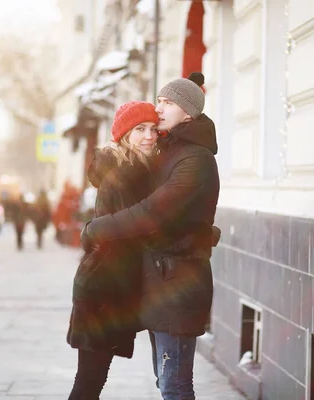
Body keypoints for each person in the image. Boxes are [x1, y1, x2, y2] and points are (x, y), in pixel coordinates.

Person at [81, 72, 220, 400]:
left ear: (188, 113)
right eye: (158, 99)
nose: (158, 108)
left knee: (175, 386)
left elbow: (152, 213)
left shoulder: (195, 159)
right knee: (165, 381)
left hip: (178, 288)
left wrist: (96, 229)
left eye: (168, 102)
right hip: (160, 285)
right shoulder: (169, 150)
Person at [67, 101, 160, 399]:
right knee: (89, 382)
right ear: (123, 135)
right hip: (103, 292)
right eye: (140, 130)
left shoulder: (131, 167)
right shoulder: (125, 174)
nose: (149, 136)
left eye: (153, 129)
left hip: (108, 289)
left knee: (91, 381)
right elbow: (133, 229)